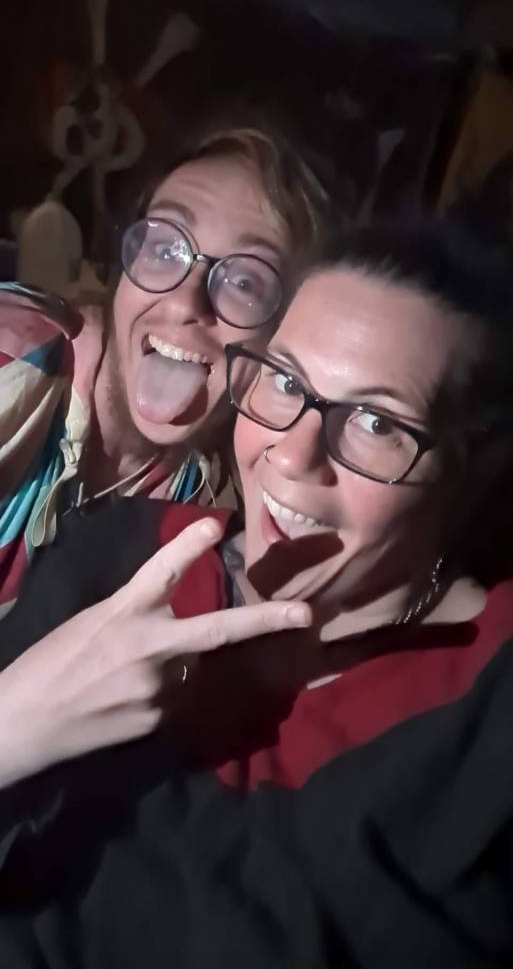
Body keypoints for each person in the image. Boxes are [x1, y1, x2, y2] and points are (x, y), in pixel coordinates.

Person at [1, 218, 513, 966]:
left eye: (376, 422)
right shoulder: (117, 557)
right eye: (284, 381)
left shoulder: (487, 705)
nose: (292, 454)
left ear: (468, 471)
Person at [0, 111, 331, 617]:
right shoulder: (13, 359)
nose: (182, 303)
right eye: (165, 248)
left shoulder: (209, 503)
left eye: (244, 282)